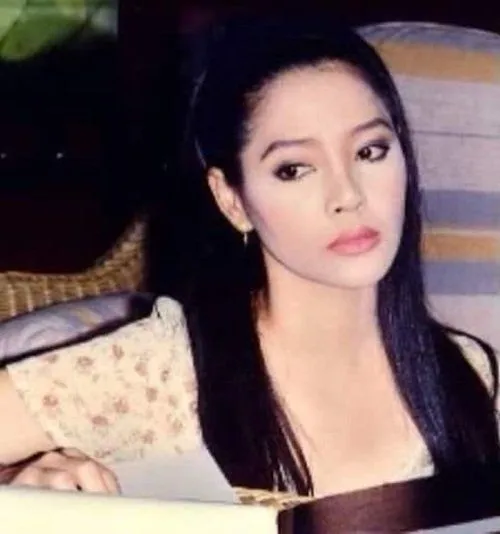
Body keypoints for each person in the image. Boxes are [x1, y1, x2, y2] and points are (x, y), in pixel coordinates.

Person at [0, 13, 498, 498]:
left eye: (370, 151)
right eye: (294, 169)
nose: (348, 194)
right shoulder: (165, 374)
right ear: (231, 199)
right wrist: (19, 487)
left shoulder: (468, 374)